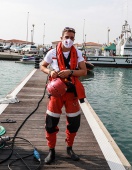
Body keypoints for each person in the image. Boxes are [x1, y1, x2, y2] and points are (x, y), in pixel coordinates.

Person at [40, 27, 87, 164]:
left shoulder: (77, 53)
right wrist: (49, 72)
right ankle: (51, 150)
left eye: (72, 38)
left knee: (73, 123)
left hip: (71, 92)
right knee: (51, 122)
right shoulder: (52, 52)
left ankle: (69, 148)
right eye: (67, 37)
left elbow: (83, 71)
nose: (69, 40)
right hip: (56, 92)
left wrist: (70, 72)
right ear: (61, 38)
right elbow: (42, 66)